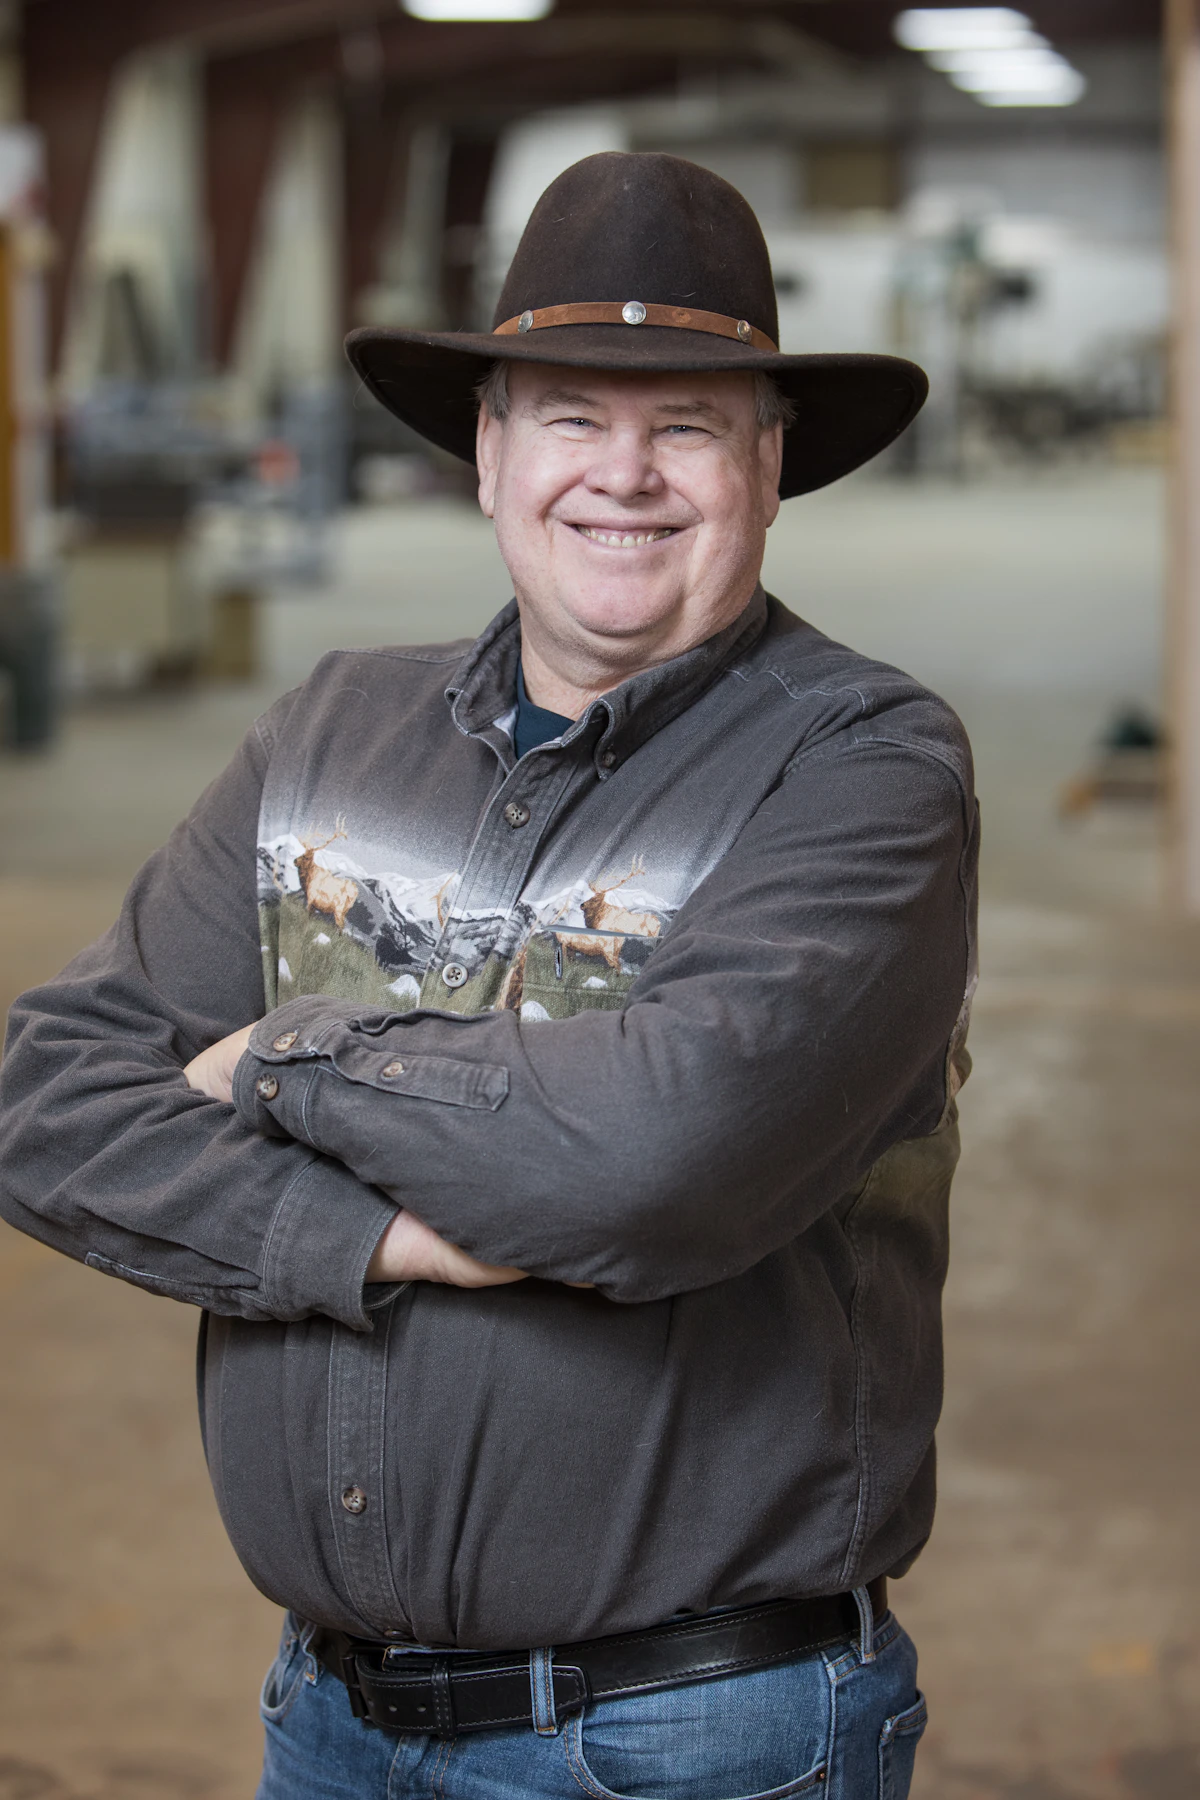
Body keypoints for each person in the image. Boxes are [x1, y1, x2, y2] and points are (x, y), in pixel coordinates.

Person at [0, 152, 977, 1800]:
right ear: (489, 455)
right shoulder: (330, 730)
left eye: (688, 427)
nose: (625, 475)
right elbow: (49, 1103)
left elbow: (652, 1161)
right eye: (572, 418)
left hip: (686, 1743)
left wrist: (283, 1055)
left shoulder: (860, 770)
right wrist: (382, 1238)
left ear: (768, 467)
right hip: (328, 1721)